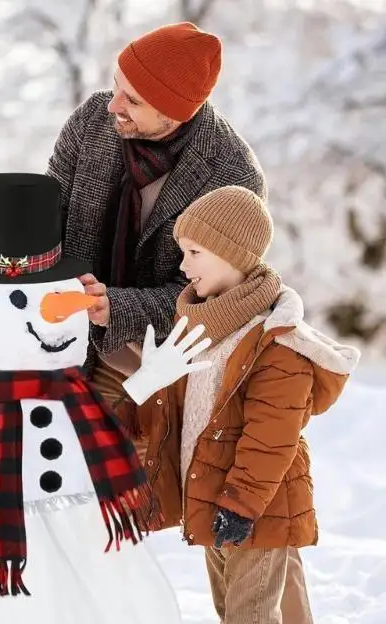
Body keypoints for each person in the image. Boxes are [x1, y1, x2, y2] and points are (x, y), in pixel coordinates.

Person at [117, 187, 358, 624]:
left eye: (195, 251)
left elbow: (270, 434)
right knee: (236, 610)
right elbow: (176, 416)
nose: (182, 265)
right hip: (216, 496)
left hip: (254, 501)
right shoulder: (199, 324)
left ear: (232, 255)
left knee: (254, 611)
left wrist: (243, 502)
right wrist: (145, 385)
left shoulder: (279, 337)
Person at [45, 21, 265, 420]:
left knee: (117, 474)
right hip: (60, 340)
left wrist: (118, 306)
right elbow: (46, 215)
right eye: (116, 86)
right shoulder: (93, 120)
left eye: (132, 99)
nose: (114, 104)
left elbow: (212, 299)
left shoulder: (233, 178)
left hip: (154, 367)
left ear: (176, 112)